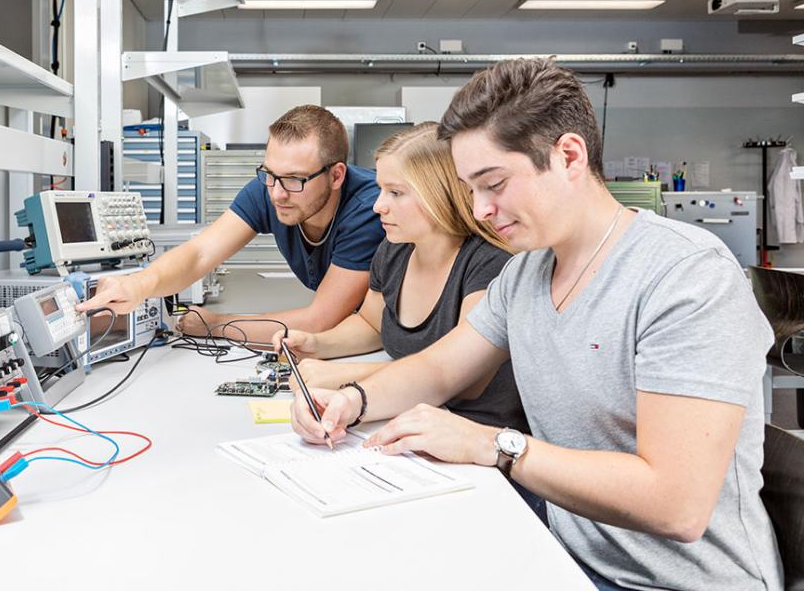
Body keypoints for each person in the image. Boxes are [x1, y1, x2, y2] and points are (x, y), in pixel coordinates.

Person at [290, 59, 783, 590]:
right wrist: (351, 399)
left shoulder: (685, 277)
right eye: (469, 189)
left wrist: (494, 445)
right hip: (562, 551)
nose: (479, 210)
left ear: (568, 156)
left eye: (494, 184)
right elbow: (437, 370)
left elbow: (677, 505)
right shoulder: (525, 272)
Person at [272, 122, 527, 436]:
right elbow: (371, 324)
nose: (379, 205)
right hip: (403, 417)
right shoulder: (394, 251)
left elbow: (465, 380)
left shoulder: (489, 264)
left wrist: (346, 377)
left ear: (440, 193)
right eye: (380, 189)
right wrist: (317, 344)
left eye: (395, 192)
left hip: (473, 436)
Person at [76, 105, 385, 343]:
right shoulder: (271, 188)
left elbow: (320, 321)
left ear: (336, 176)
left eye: (294, 179)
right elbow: (200, 253)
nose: (277, 194)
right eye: (269, 174)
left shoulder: (368, 209)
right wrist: (139, 285)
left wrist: (217, 324)